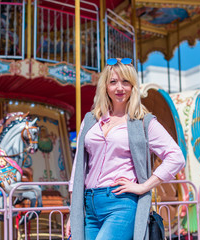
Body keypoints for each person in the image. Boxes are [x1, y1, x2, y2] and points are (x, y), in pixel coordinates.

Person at [66, 58, 185, 240]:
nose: (119, 88)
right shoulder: (91, 120)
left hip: (121, 203)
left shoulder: (143, 122)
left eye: (125, 82)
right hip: (89, 205)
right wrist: (72, 213)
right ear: (105, 86)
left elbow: (176, 156)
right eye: (113, 82)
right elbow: (78, 167)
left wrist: (144, 186)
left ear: (133, 87)